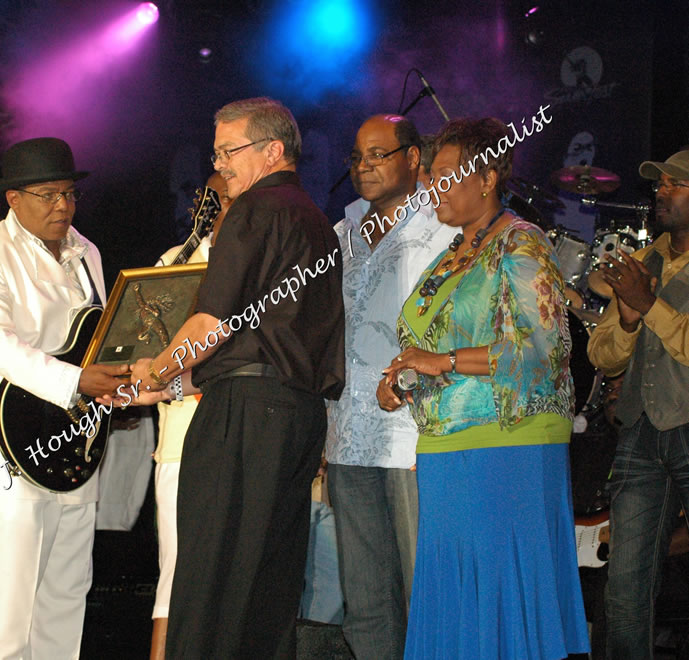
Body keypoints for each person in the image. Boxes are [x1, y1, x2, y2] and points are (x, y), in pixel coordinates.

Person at [128, 97, 345, 659]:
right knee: (268, 583)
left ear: (273, 150)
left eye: (230, 151)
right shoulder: (319, 221)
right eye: (217, 151)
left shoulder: (251, 211)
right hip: (297, 415)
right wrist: (174, 383)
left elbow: (212, 323)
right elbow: (272, 337)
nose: (220, 164)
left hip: (244, 416)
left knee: (210, 577)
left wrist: (156, 368)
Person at [378, 118, 589, 659]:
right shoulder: (451, 255)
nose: (433, 187)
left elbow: (541, 351)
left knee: (499, 595)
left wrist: (441, 359)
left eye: (446, 175)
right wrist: (400, 380)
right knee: (456, 596)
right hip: (448, 447)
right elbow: (425, 348)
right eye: (432, 176)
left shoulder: (522, 242)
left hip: (508, 442)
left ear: (488, 176)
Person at [0, 137, 127, 659]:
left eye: (70, 194)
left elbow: (91, 337)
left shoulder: (86, 252)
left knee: (64, 602)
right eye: (48, 195)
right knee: (7, 617)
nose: (63, 206)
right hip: (12, 449)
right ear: (13, 198)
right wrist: (76, 383)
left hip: (76, 443)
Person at [326, 114, 458, 659]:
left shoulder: (446, 225)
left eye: (378, 154)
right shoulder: (342, 230)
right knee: (365, 596)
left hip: (413, 432)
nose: (364, 167)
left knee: (421, 586)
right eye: (357, 158)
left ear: (413, 158)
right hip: (348, 433)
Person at [586, 149, 689, 659]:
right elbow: (601, 354)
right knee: (624, 591)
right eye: (660, 183)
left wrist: (649, 305)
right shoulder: (641, 263)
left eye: (675, 184)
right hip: (642, 432)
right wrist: (626, 320)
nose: (661, 192)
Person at [148, 171, 231, 660]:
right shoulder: (173, 264)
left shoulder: (263, 256)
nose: (227, 204)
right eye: (218, 198)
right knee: (177, 577)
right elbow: (155, 356)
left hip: (247, 433)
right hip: (184, 441)